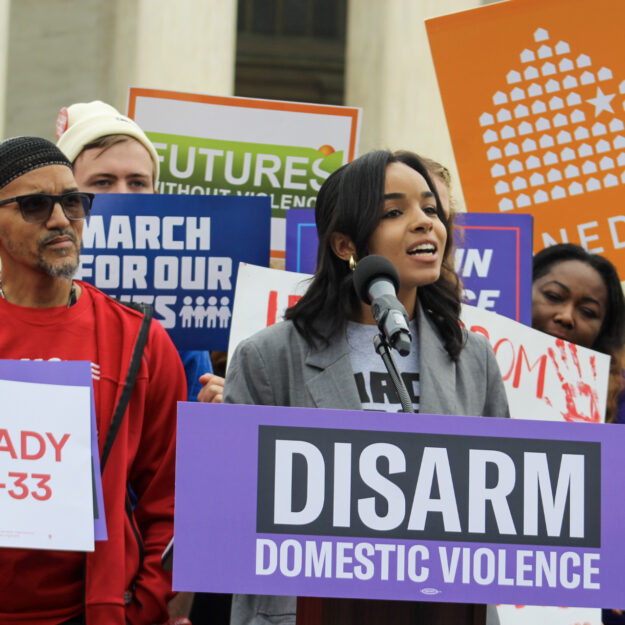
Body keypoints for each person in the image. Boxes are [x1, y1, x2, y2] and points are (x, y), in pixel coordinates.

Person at [224, 149, 509, 625]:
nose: (424, 223)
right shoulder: (269, 357)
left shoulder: (472, 357)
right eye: (395, 212)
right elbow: (234, 517)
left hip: (441, 608)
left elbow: (497, 511)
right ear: (344, 245)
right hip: (312, 608)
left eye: (431, 209)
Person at [0, 137, 186, 624]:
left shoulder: (139, 340)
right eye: (35, 205)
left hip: (95, 610)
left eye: (73, 201)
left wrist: (141, 605)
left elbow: (171, 495)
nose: (61, 219)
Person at [55, 99, 225, 403]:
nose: (123, 195)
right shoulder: (29, 289)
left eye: (137, 182)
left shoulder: (178, 313)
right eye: (103, 182)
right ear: (67, 197)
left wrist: (208, 411)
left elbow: (189, 435)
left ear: (156, 196)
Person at [532, 243, 625, 424]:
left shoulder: (620, 398)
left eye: (588, 312)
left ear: (603, 331)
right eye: (553, 296)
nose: (566, 317)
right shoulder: (472, 368)